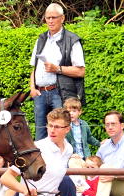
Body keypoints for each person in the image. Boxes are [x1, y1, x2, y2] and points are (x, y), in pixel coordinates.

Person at [29, 3, 85, 140]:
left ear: (63, 18)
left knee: (62, 134)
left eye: (54, 17)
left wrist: (58, 69)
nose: (50, 21)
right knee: (40, 136)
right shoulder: (41, 39)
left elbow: (80, 71)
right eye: (48, 18)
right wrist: (32, 88)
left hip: (59, 93)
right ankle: (42, 162)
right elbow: (34, 67)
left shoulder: (72, 40)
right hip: (40, 93)